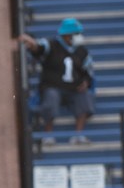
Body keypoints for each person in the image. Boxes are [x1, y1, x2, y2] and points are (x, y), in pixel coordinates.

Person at [18, 18, 95, 146]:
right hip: (53, 86)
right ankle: (48, 135)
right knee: (50, 100)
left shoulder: (83, 51)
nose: (78, 37)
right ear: (66, 35)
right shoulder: (52, 45)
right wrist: (33, 45)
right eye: (75, 34)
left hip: (74, 88)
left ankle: (78, 135)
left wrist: (86, 82)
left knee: (85, 98)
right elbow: (40, 48)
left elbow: (88, 72)